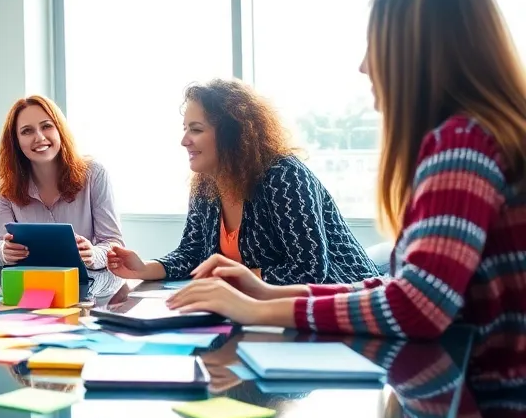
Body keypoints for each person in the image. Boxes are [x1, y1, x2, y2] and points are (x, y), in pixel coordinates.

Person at [168, 0, 526, 341]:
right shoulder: (478, 139)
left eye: (376, 46)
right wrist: (269, 292)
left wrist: (258, 309)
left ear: (418, 55)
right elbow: (402, 289)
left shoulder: (463, 144)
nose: (364, 66)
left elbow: (419, 306)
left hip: (490, 394)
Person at [106, 79, 378, 286]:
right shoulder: (205, 185)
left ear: (232, 134)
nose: (184, 140)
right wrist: (144, 268)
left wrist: (231, 278)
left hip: (345, 298)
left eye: (196, 129)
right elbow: (192, 254)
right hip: (268, 310)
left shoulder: (285, 176)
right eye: (185, 128)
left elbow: (309, 270)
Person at [0, 94, 124, 269]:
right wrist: (4, 252)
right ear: (16, 141)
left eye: (46, 126)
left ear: (60, 130)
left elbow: (113, 243)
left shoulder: (94, 174)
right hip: (30, 287)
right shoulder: (7, 184)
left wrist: (93, 254)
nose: (40, 137)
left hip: (86, 286)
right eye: (27, 131)